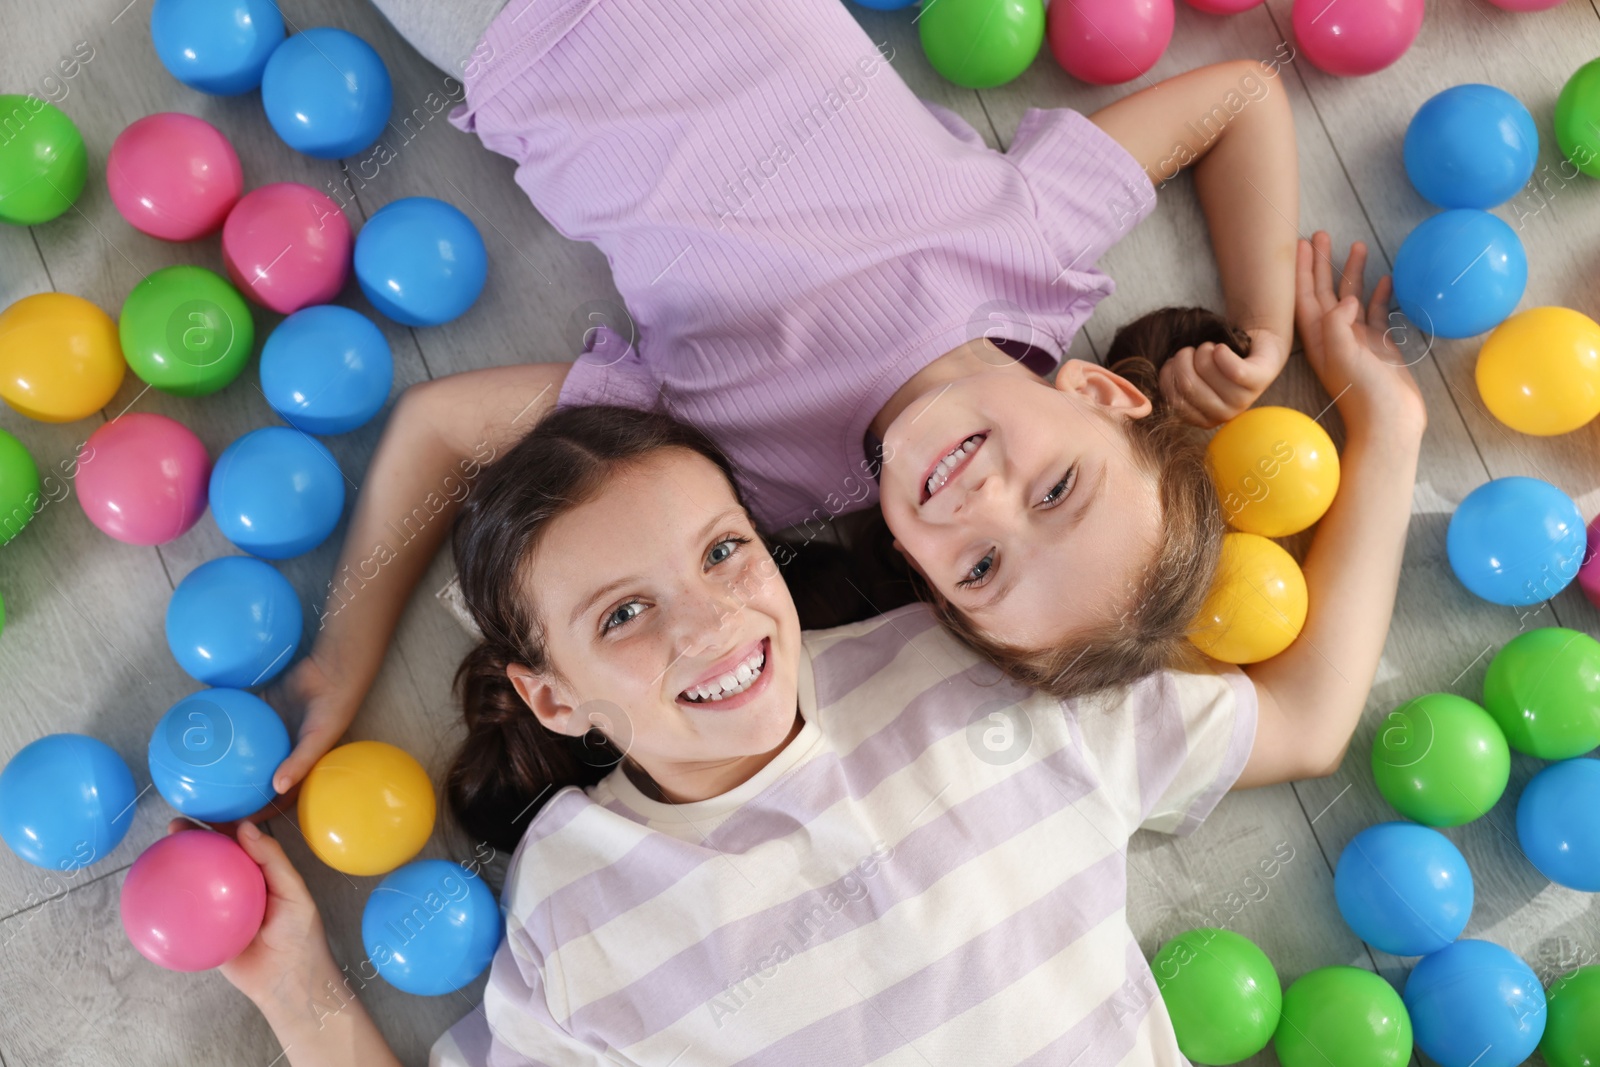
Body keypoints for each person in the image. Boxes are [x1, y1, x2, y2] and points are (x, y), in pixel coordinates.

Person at [203, 236, 1425, 1065]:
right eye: (621, 616)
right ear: (552, 695)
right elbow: (439, 421)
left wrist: (1392, 417)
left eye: (725, 554)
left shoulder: (972, 677)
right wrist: (303, 993)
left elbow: (1310, 719)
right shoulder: (580, 897)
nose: (708, 624)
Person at [259, 0, 1303, 796]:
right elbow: (1241, 96)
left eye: (980, 567)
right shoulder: (1034, 249)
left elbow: (444, 425)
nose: (983, 500)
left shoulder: (739, 464)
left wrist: (344, 652)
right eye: (1056, 489)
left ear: (924, 575)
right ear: (1098, 391)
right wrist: (1264, 328)